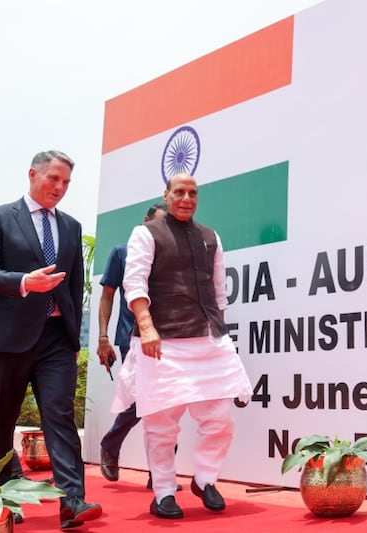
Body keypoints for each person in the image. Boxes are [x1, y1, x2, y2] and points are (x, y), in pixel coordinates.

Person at [0, 150, 102, 529]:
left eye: (66, 183)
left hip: (55, 339)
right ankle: (1, 500)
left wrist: (73, 338)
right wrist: (25, 282)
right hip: (6, 339)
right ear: (33, 174)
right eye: (53, 179)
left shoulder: (71, 226)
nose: (60, 188)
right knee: (0, 422)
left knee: (59, 416)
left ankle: (71, 501)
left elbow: (74, 285)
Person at [112, 173, 252, 519]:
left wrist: (218, 333)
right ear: (167, 195)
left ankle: (205, 479)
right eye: (179, 192)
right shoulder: (145, 234)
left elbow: (218, 292)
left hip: (208, 339)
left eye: (192, 193)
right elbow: (134, 283)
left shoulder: (210, 236)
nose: (186, 198)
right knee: (161, 425)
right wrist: (147, 327)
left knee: (221, 419)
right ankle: (163, 492)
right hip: (162, 342)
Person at [96, 202, 177, 489]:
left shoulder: (173, 256)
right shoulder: (122, 252)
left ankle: (160, 475)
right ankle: (111, 443)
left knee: (168, 405)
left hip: (170, 339)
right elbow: (107, 297)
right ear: (145, 221)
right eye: (159, 224)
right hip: (132, 338)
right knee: (141, 402)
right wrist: (103, 338)